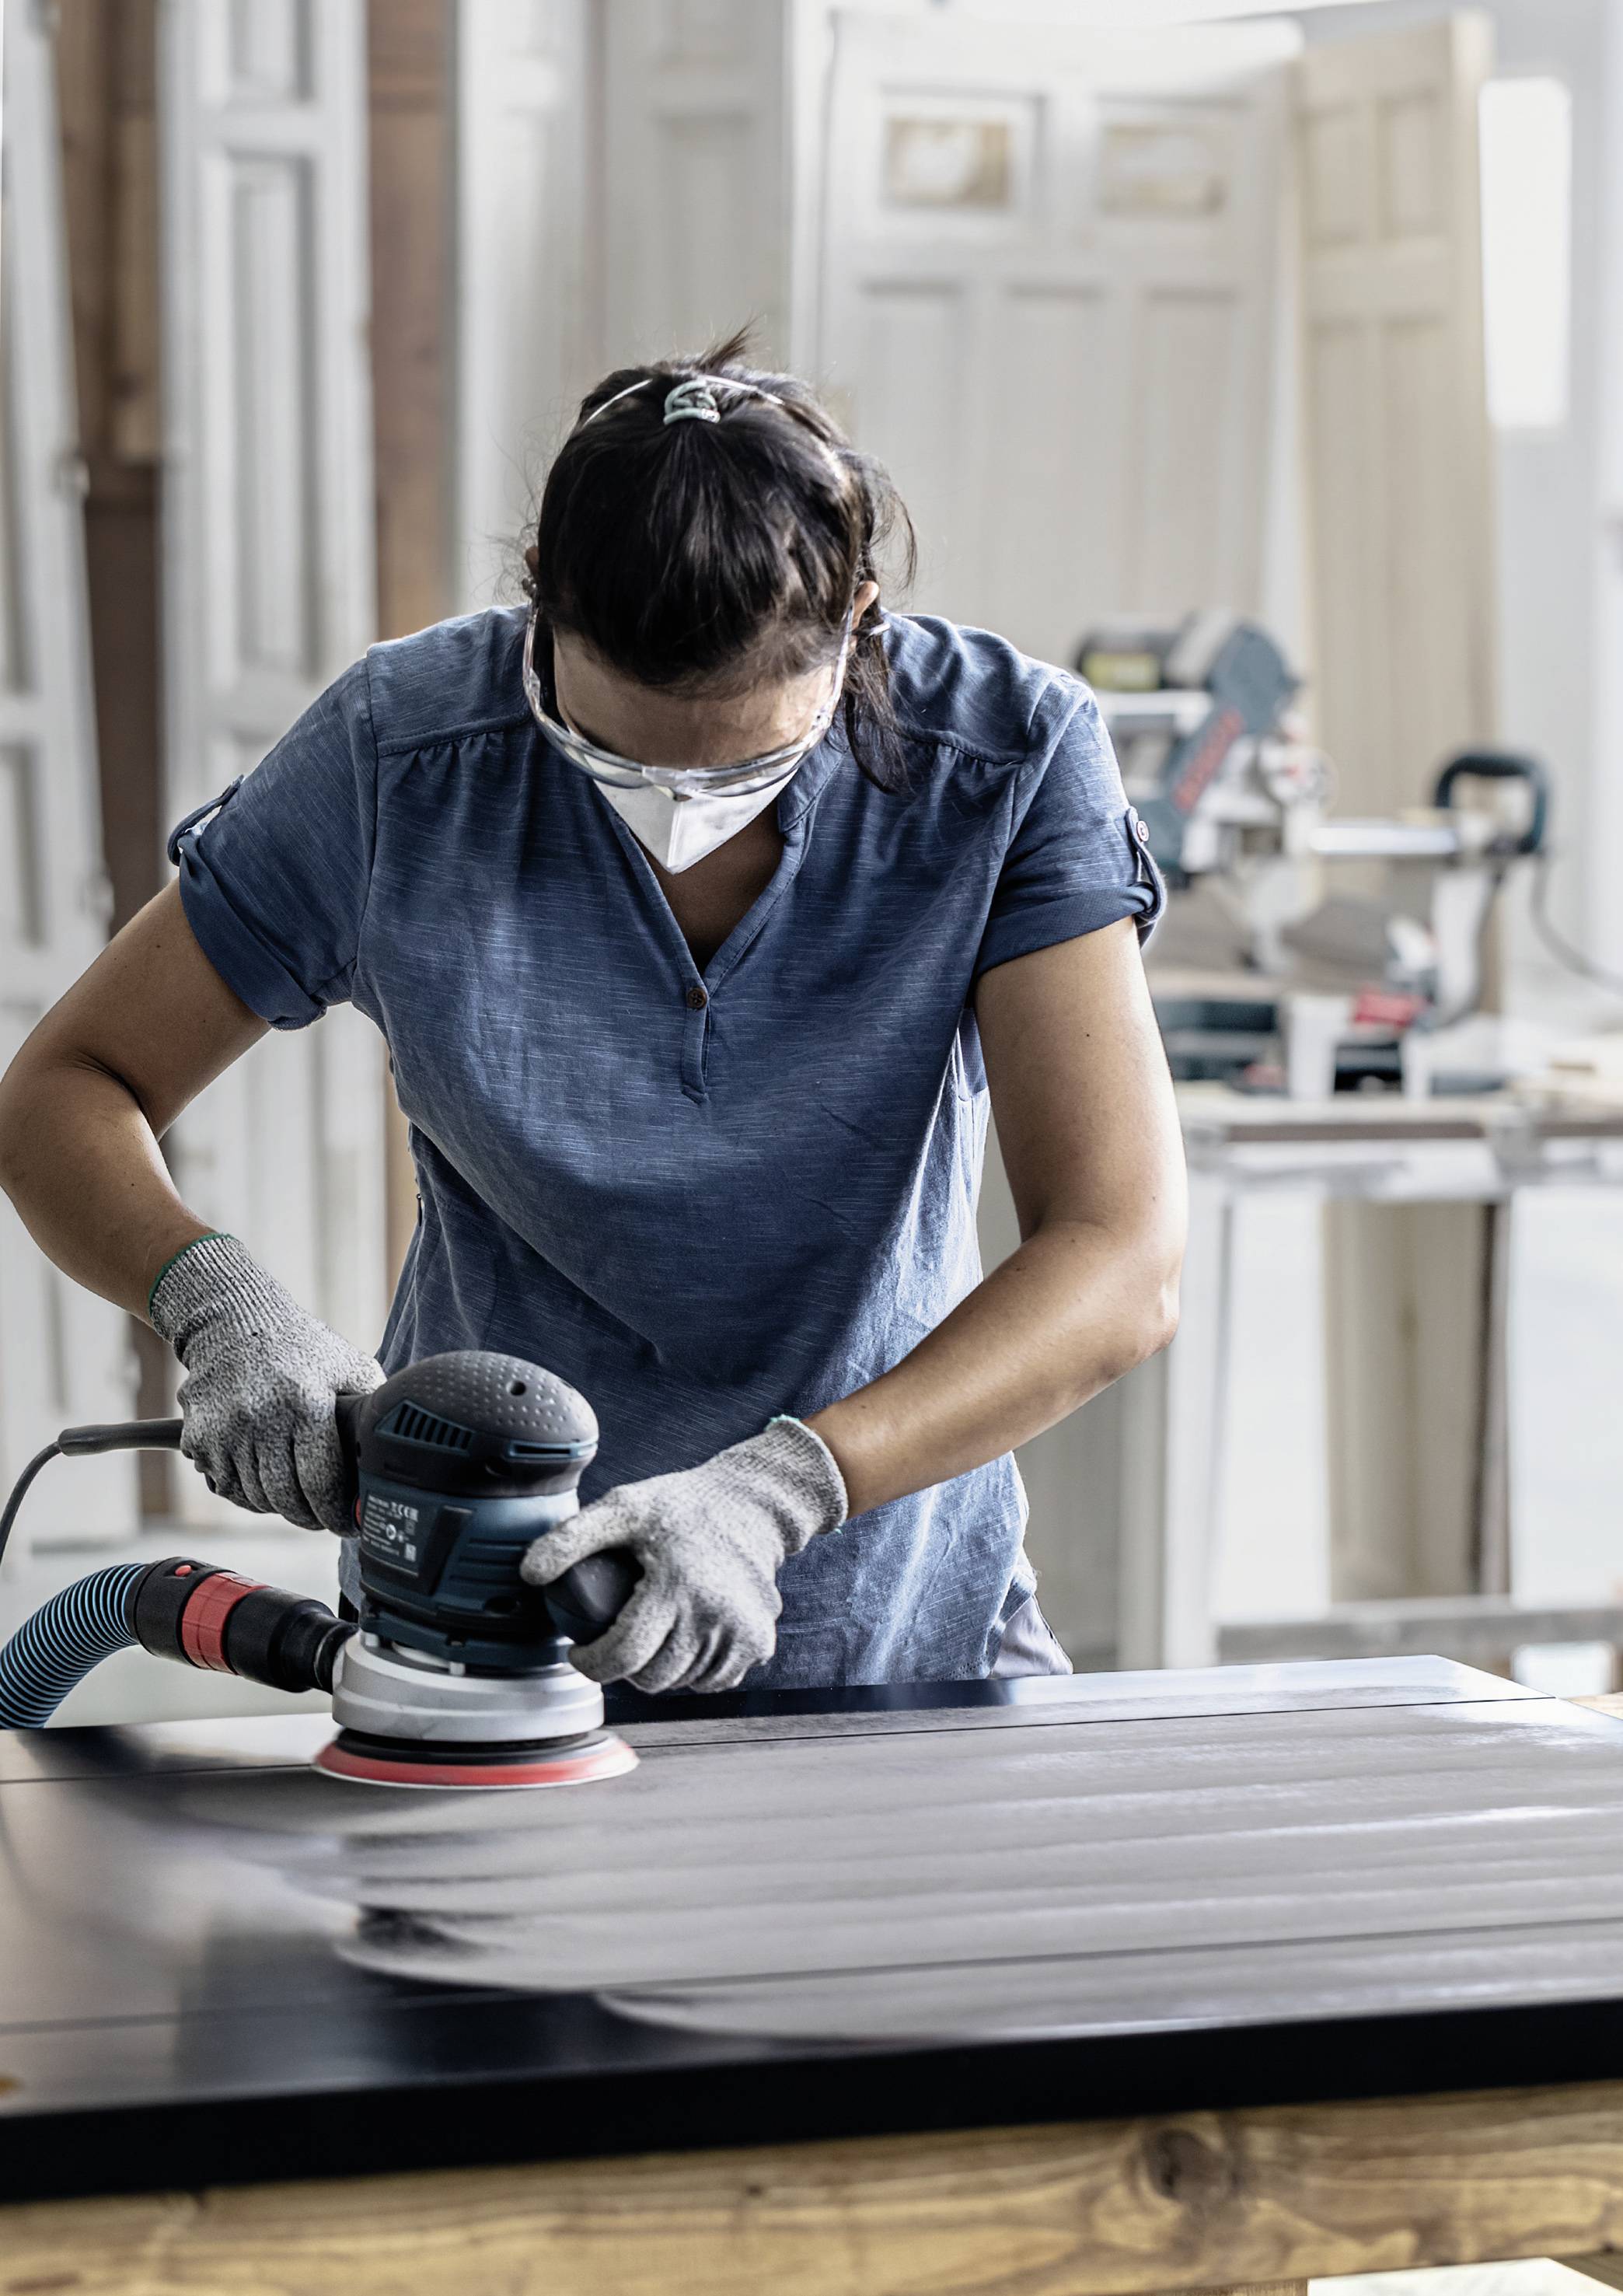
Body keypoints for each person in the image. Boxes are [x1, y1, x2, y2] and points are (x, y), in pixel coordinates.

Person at [0, 335, 1185, 1697]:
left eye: (749, 758)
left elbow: (1121, 1252)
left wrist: (785, 1488)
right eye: (612, 751)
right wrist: (212, 1300)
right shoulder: (404, 756)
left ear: (860, 619)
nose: (678, 808)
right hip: (472, 1623)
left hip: (896, 1615)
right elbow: (65, 1087)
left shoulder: (1007, 761)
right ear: (537, 610)